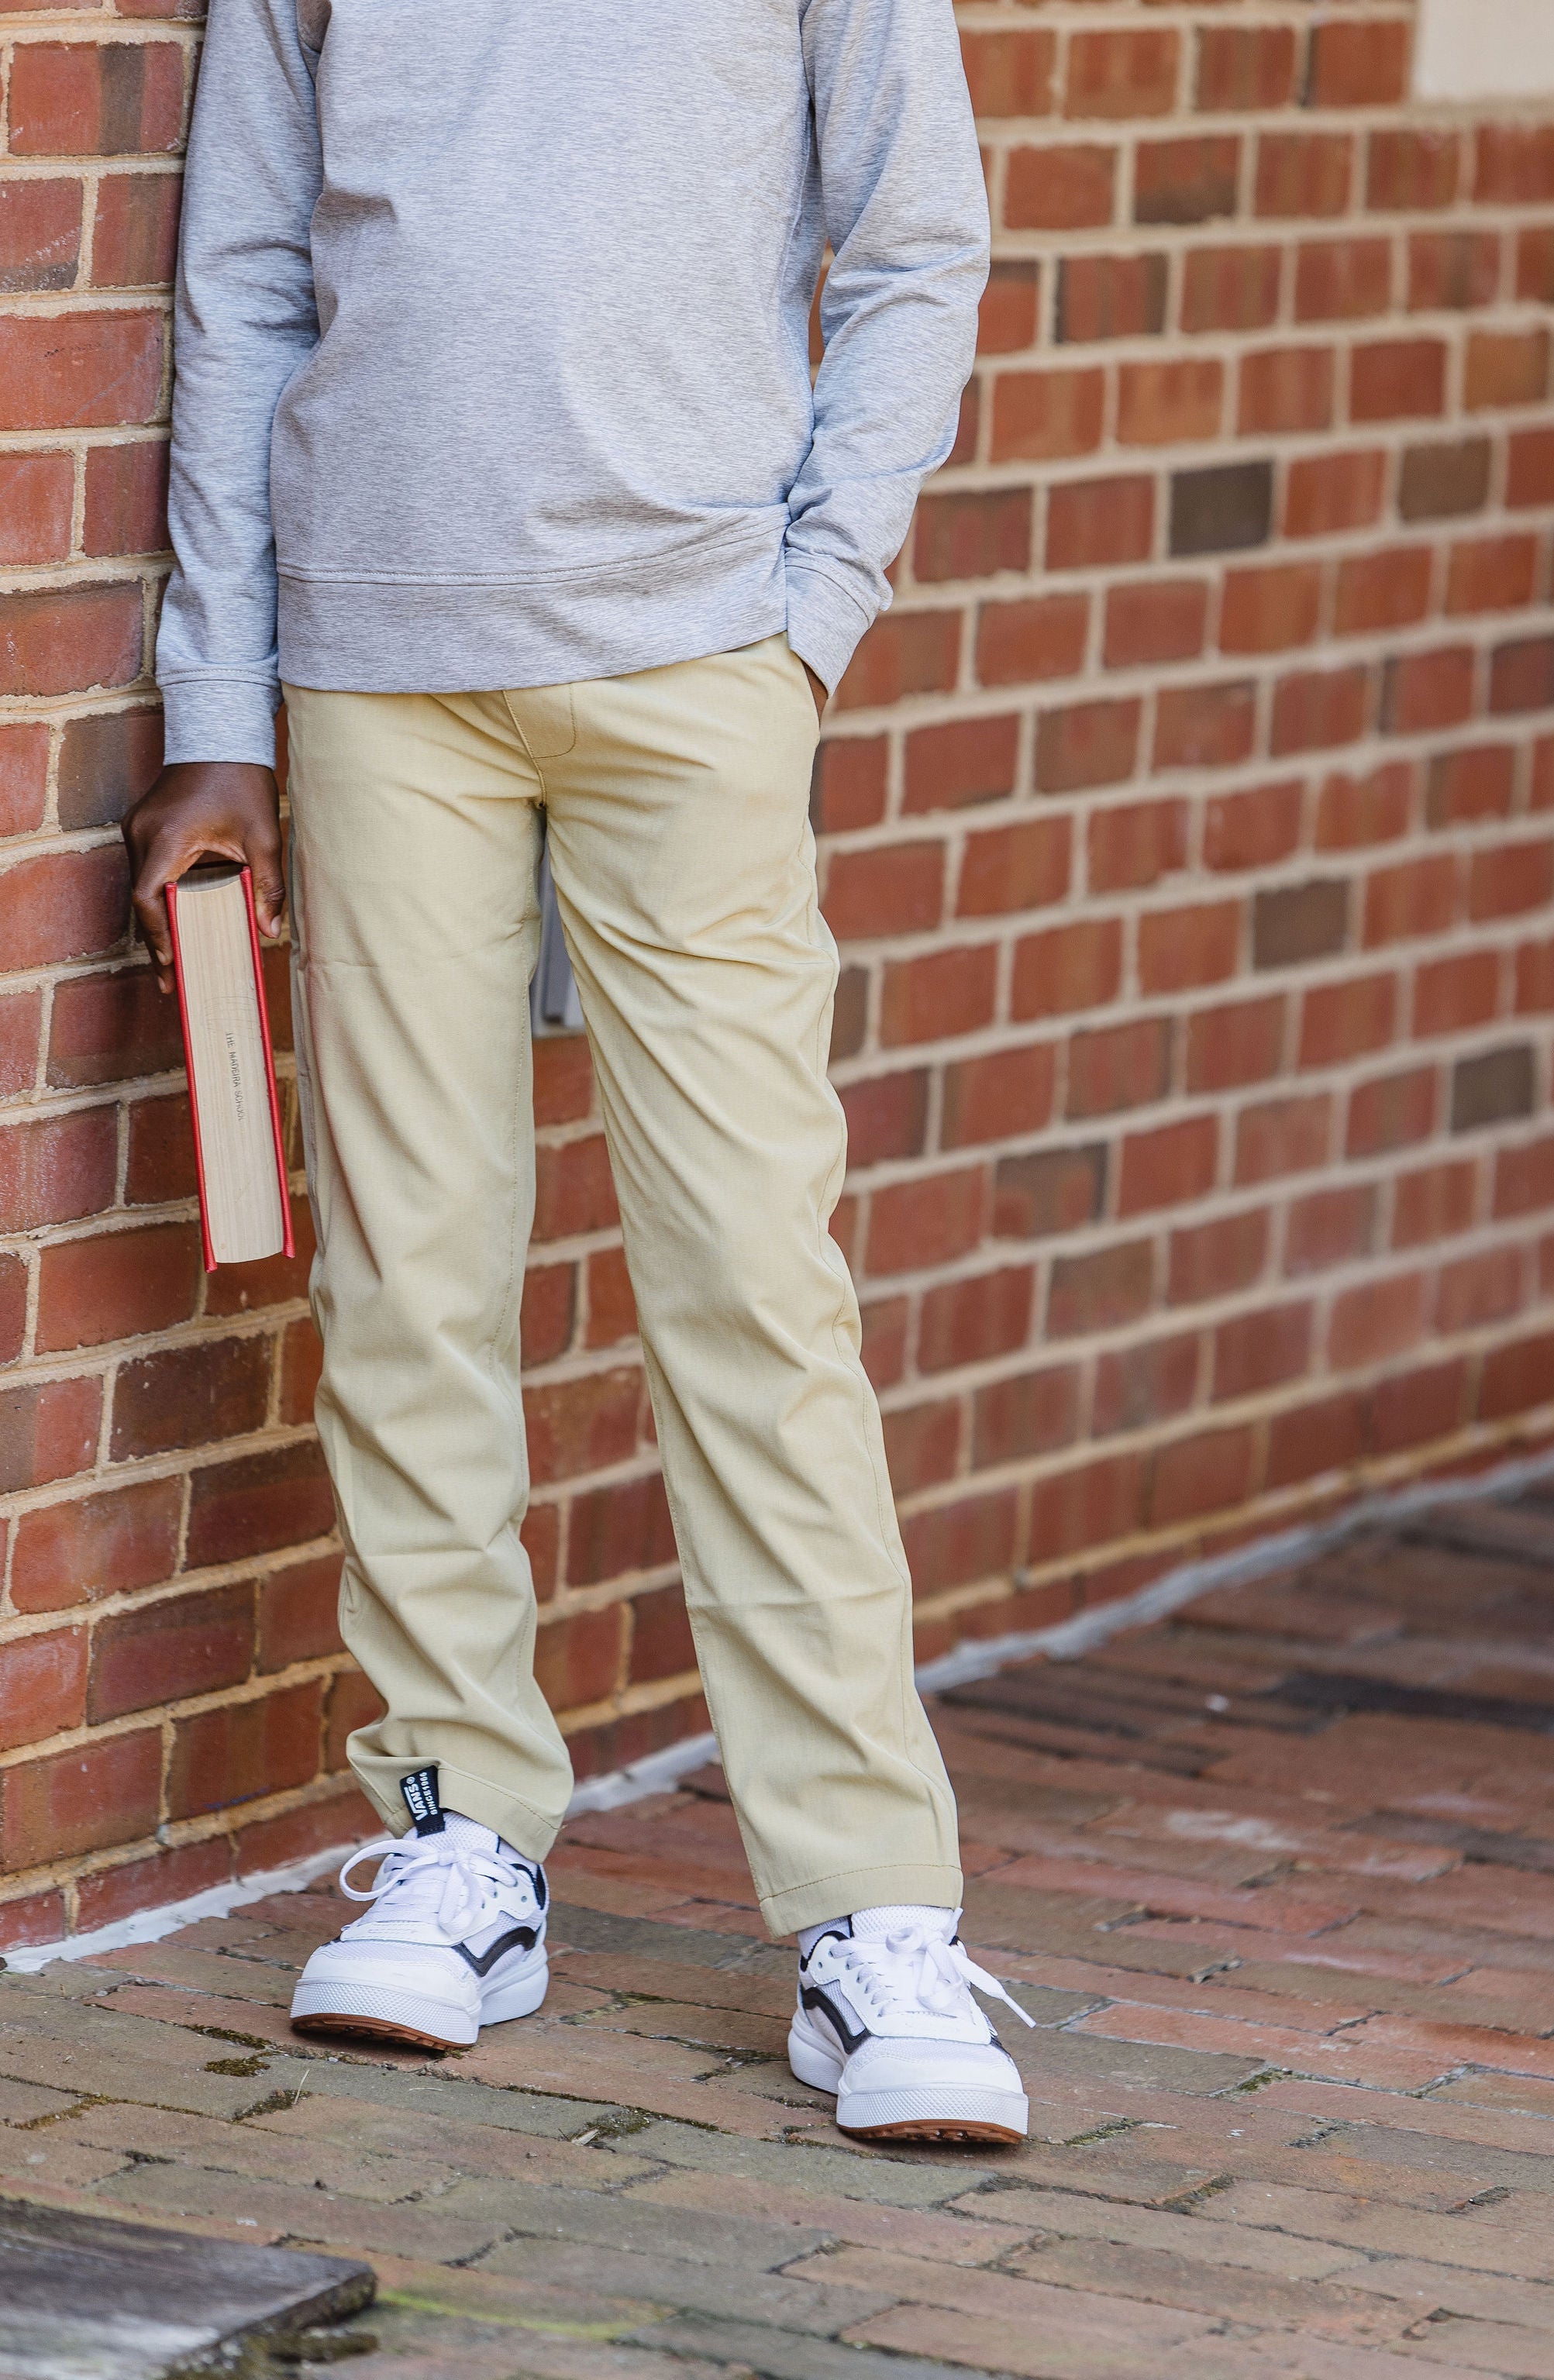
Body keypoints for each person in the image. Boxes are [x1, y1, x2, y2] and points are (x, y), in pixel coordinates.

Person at [125, 0, 1032, 2145]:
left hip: (694, 662)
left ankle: (869, 1908)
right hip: (376, 670)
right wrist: (217, 702)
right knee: (405, 1273)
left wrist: (805, 621)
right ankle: (464, 1838)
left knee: (747, 1279)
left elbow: (917, 241)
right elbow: (243, 277)